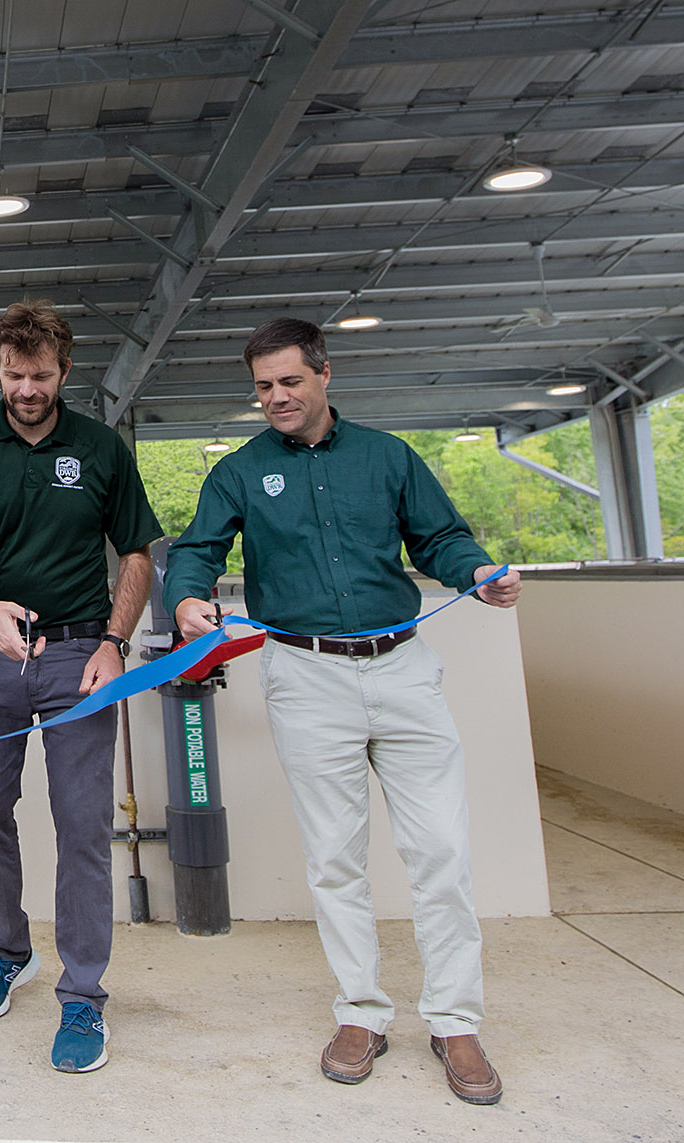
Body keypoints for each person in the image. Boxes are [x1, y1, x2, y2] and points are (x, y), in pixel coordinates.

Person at [163, 317, 522, 1105]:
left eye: (290, 381)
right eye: (263, 387)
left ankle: (455, 1021)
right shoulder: (240, 471)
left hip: (402, 668)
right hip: (305, 674)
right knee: (334, 856)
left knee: (442, 852)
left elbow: (442, 540)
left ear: (326, 374)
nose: (276, 398)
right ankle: (360, 1011)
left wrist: (479, 574)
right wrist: (188, 597)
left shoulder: (388, 457)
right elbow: (196, 548)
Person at [0, 299, 161, 1074]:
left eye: (40, 375)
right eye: (13, 373)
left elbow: (137, 553)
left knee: (82, 821)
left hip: (78, 658)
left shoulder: (99, 446)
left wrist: (114, 643)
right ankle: (7, 952)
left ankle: (85, 995)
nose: (26, 388)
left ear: (65, 371)